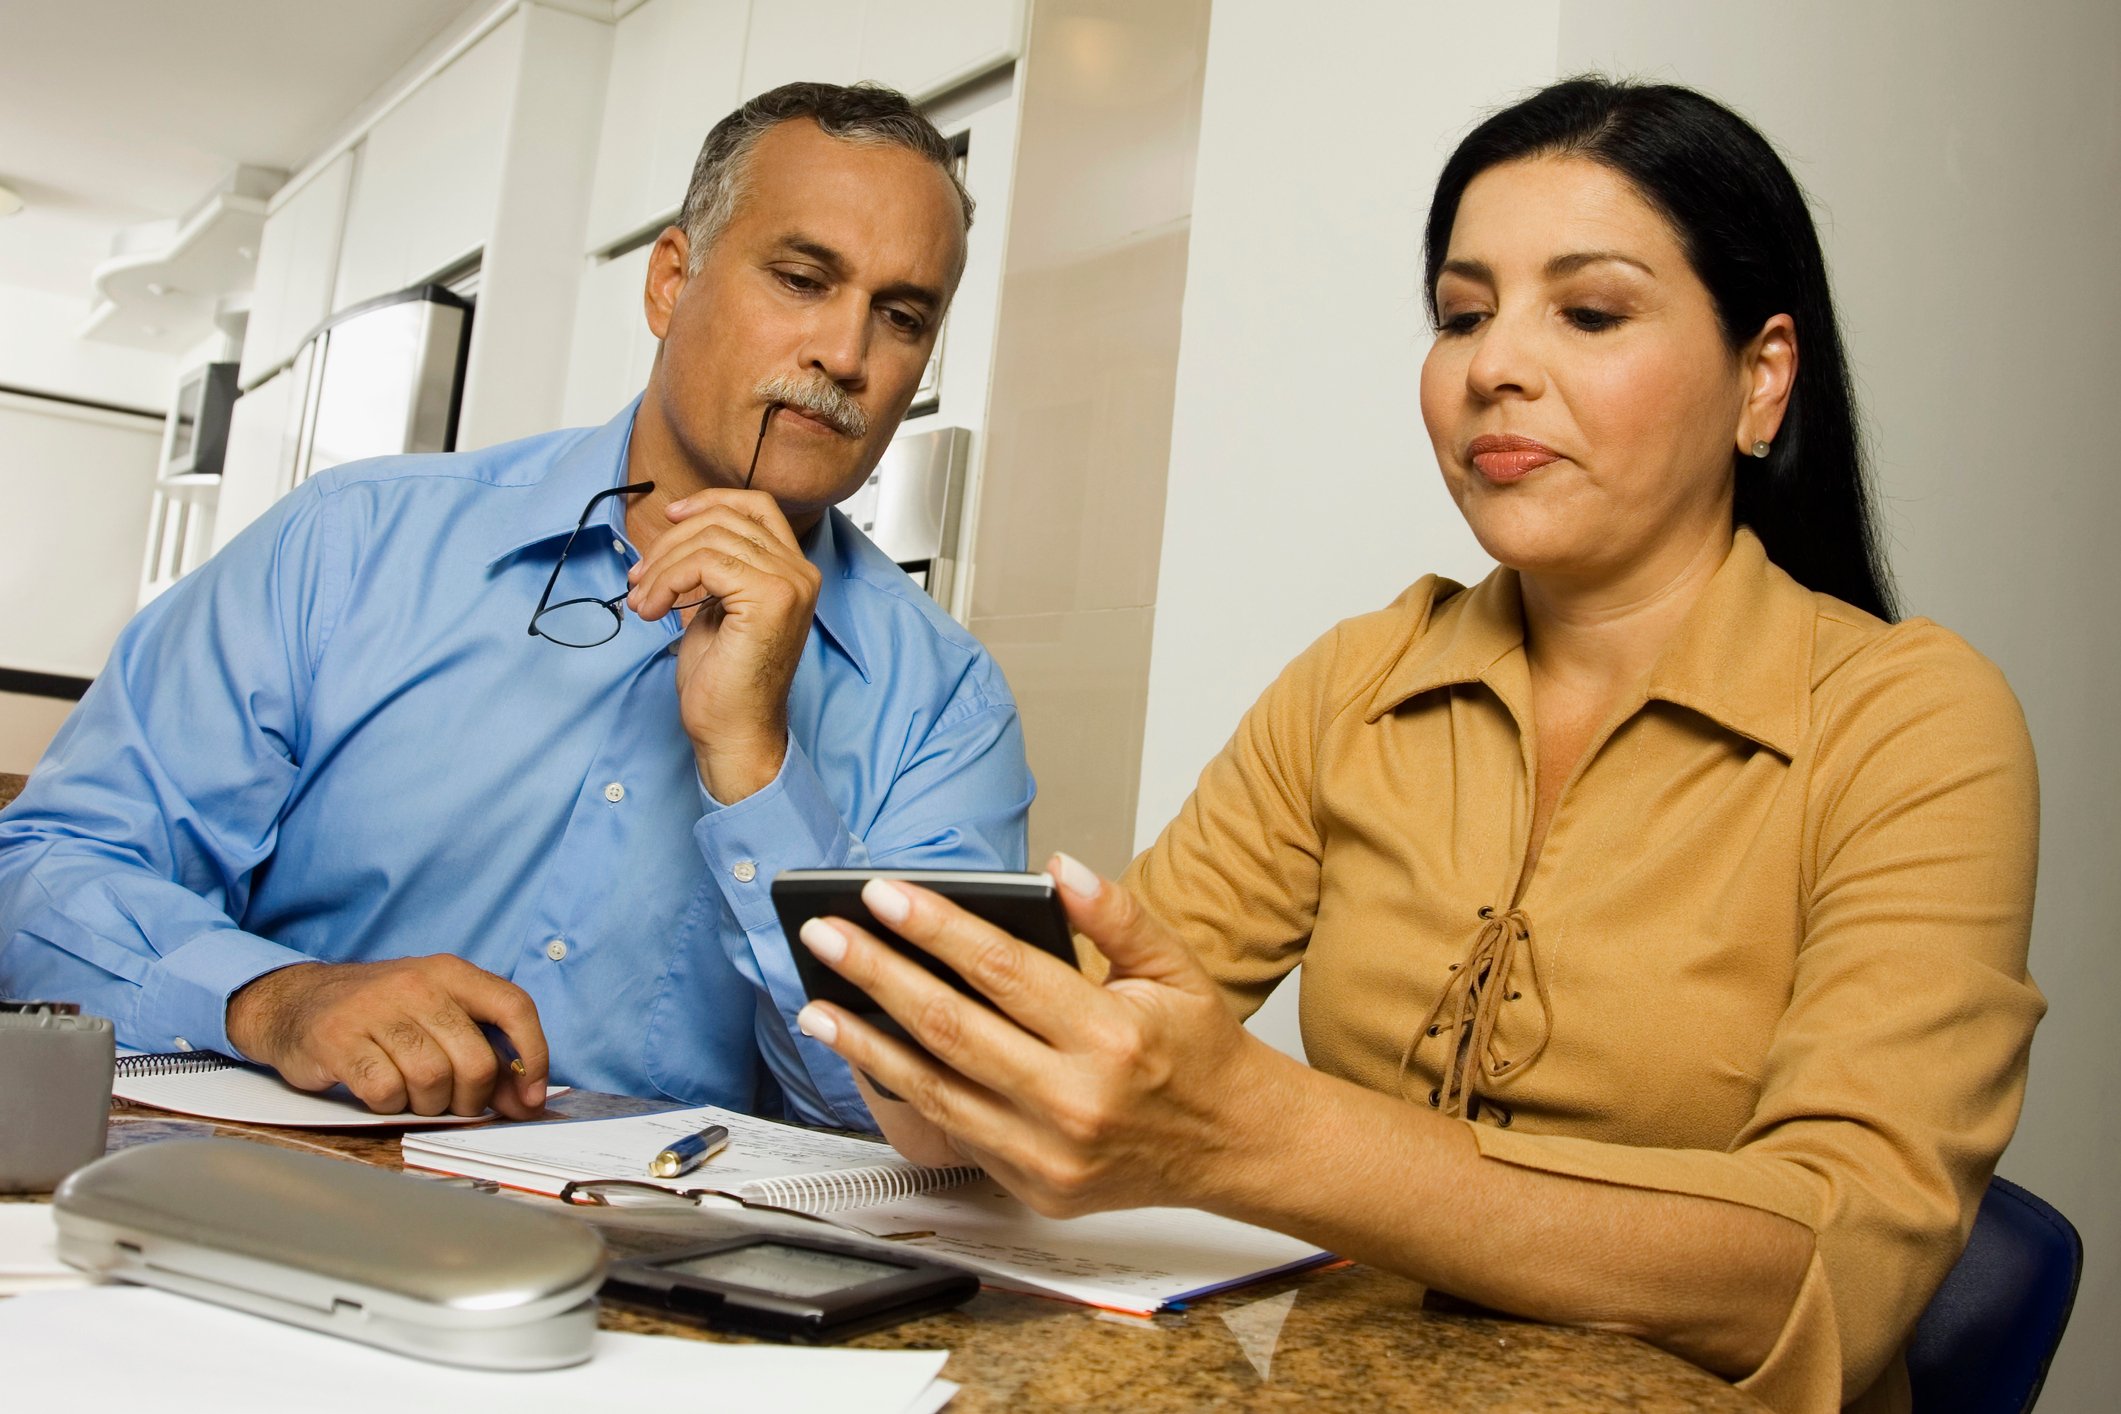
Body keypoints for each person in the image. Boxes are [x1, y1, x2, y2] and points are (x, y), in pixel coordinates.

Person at [779, 78, 2041, 1413]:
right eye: (1461, 314)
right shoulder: (1357, 682)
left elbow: (1837, 1263)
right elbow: (1083, 1043)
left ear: (1761, 377)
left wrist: (1260, 1131)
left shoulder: (1909, 718)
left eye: (1590, 312)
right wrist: (972, 1059)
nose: (1493, 367)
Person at [0, 82, 1032, 1129]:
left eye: (902, 317)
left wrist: (757, 766)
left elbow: (938, 1121)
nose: (846, 356)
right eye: (803, 280)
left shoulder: (948, 709)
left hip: (654, 1232)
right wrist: (273, 998)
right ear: (671, 282)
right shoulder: (348, 544)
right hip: (265, 1188)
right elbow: (42, 874)